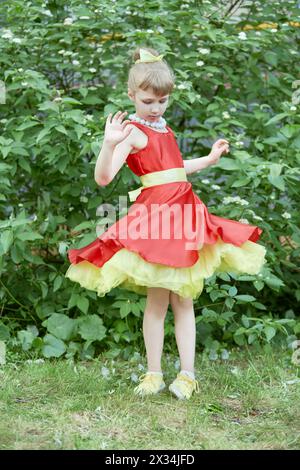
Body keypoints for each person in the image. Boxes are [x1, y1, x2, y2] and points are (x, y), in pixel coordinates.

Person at [65, 47, 267, 400]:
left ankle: (187, 375)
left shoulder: (163, 127)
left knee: (184, 300)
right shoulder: (131, 132)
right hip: (156, 221)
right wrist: (108, 145)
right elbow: (104, 177)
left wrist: (209, 158)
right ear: (131, 96)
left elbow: (173, 168)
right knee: (157, 301)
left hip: (185, 215)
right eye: (147, 101)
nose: (155, 107)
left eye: (162, 100)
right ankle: (154, 373)